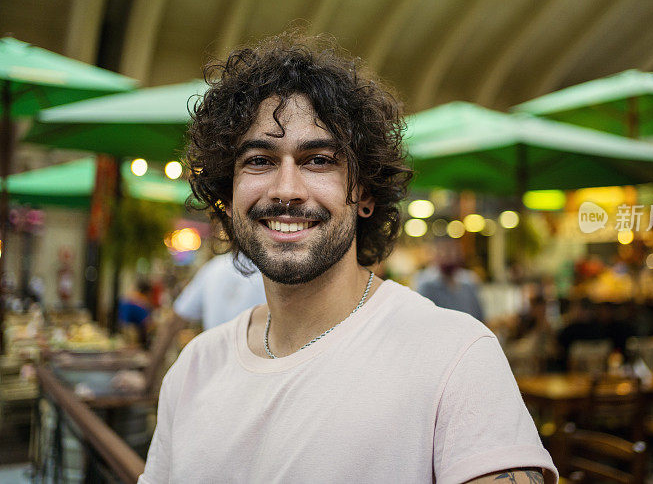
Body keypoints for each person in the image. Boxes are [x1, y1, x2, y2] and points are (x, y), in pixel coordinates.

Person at [139, 33, 556, 484]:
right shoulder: (195, 369)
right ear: (229, 194)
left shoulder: (454, 355)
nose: (286, 189)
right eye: (259, 160)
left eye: (318, 160)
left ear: (365, 193)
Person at [173, 252, 266, 330]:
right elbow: (179, 315)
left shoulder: (214, 267)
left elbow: (177, 318)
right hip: (253, 349)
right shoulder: (214, 267)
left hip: (214, 347)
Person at [416, 239, 485, 322]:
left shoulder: (469, 281)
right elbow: (423, 316)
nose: (448, 258)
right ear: (435, 255)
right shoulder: (426, 283)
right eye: (444, 252)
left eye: (452, 252)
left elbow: (479, 314)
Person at [118, 279, 153, 344]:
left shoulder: (127, 296)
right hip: (134, 332)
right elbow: (147, 324)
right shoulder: (143, 302)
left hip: (122, 326)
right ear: (148, 292)